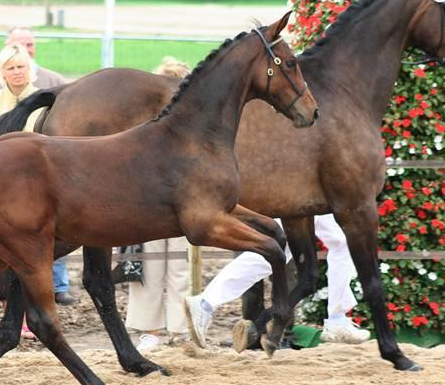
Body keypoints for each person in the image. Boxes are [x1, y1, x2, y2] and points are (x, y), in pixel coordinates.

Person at [0, 26, 76, 310]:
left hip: (38, 182)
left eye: (22, 65)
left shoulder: (51, 89)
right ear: (2, 71)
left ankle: (55, 288)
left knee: (50, 234)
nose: (17, 70)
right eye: (11, 67)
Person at [183, 214, 370, 351]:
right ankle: (337, 319)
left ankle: (206, 302)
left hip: (304, 182)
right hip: (307, 183)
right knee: (340, 242)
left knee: (279, 252)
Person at [125, 57, 192, 351]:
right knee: (149, 267)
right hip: (147, 203)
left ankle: (178, 328)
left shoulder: (191, 127)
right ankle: (151, 330)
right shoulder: (142, 124)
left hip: (179, 204)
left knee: (180, 266)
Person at [0, 26, 66, 104]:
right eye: (19, 45)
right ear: (7, 47)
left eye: (29, 45)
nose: (25, 50)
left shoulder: (56, 82)